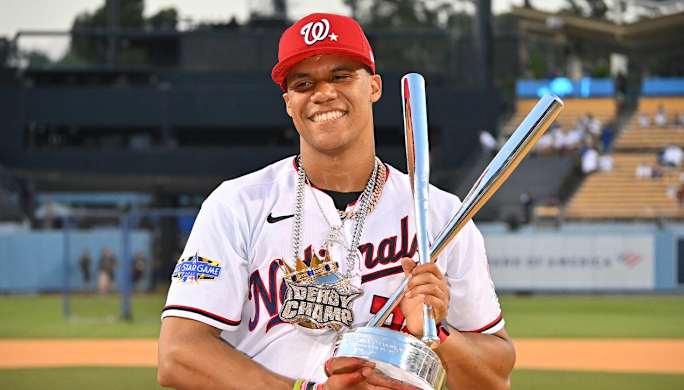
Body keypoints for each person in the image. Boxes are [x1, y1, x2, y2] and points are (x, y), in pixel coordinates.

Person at [158, 13, 514, 390]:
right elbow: (178, 355)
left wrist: (438, 333)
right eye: (303, 83)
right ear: (289, 103)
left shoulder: (441, 214)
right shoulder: (237, 204)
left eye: (341, 76)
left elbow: (495, 377)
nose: (323, 93)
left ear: (374, 87)